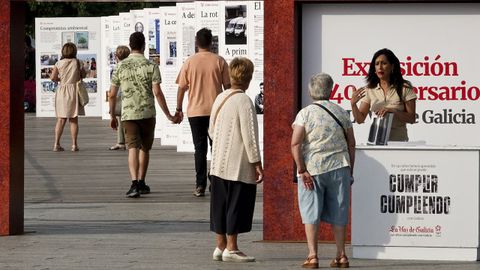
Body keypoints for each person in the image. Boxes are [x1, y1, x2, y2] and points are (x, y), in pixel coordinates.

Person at [291, 73, 356, 269]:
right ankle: (341, 255)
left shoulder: (305, 114)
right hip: (340, 167)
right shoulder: (342, 112)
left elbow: (295, 143)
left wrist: (301, 169)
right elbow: (351, 144)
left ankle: (312, 256)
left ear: (311, 91)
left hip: (313, 169)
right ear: (331, 90)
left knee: (310, 211)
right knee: (339, 211)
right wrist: (350, 170)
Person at [208, 57, 263, 263]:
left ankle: (220, 245)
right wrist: (256, 162)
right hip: (238, 163)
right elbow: (249, 135)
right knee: (236, 203)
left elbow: (211, 130)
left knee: (220, 204)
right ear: (248, 78)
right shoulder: (244, 101)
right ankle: (232, 247)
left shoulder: (220, 97)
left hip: (217, 163)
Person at [108, 32, 175, 198]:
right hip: (147, 112)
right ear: (144, 45)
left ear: (130, 45)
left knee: (132, 148)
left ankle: (134, 184)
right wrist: (168, 114)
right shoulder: (151, 65)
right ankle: (142, 181)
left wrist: (111, 115)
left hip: (128, 113)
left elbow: (112, 94)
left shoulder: (120, 66)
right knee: (145, 148)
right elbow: (157, 92)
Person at [175, 27, 231, 197]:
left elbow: (182, 88)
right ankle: (214, 182)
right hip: (217, 111)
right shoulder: (219, 61)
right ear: (211, 42)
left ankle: (200, 185)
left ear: (196, 43)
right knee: (216, 148)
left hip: (196, 112)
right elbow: (228, 87)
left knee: (199, 149)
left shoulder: (189, 62)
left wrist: (178, 109)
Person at [350, 48, 417, 141]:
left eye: (384, 63)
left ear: (392, 66)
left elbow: (412, 118)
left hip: (399, 143)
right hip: (377, 142)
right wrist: (353, 104)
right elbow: (360, 120)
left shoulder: (405, 88)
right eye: (377, 64)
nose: (380, 67)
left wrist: (393, 111)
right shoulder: (370, 90)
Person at [50, 42, 86, 152]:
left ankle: (56, 144)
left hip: (62, 91)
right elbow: (83, 75)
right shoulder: (78, 62)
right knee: (74, 119)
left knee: (61, 119)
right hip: (74, 91)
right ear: (74, 51)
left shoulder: (58, 63)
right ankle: (74, 145)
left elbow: (53, 78)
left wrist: (61, 80)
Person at [109, 46, 130, 151]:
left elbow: (114, 86)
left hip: (119, 94)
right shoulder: (131, 66)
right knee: (124, 118)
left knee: (121, 118)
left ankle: (123, 141)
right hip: (128, 94)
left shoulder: (117, 68)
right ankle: (123, 141)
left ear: (117, 56)